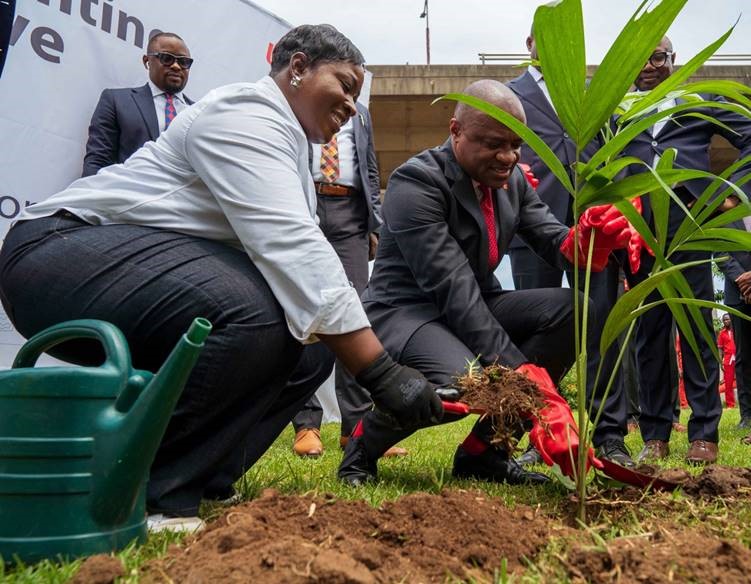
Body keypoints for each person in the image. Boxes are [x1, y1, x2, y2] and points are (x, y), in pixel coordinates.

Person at [0, 24, 442, 532]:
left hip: (134, 274)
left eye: (356, 95)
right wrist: (383, 374)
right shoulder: (245, 114)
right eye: (343, 84)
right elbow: (293, 245)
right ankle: (158, 492)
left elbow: (302, 270)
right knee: (252, 309)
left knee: (314, 340)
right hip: (54, 253)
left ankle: (208, 477)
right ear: (297, 67)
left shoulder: (291, 143)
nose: (349, 104)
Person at [337, 80, 636, 487]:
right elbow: (453, 290)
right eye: (494, 143)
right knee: (467, 383)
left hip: (475, 302)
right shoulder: (416, 182)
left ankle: (485, 454)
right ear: (456, 130)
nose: (508, 156)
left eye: (516, 144)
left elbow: (551, 238)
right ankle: (361, 448)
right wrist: (535, 388)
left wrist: (587, 239)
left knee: (575, 309)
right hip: (409, 312)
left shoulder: (510, 181)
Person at [622, 36, 751, 464]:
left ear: (674, 59)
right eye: (641, 58)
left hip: (689, 224)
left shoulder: (698, 99)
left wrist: (730, 195)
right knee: (649, 330)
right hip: (639, 228)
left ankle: (705, 432)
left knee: (696, 326)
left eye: (657, 56)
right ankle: (655, 433)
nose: (649, 66)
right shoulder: (620, 111)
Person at [507, 28, 633, 468]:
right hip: (531, 229)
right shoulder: (509, 95)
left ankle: (611, 433)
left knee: (602, 330)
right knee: (537, 334)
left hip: (594, 230)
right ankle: (530, 435)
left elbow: (615, 154)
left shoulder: (596, 96)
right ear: (530, 44)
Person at [291, 103, 407, 458]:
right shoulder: (297, 104)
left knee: (355, 313)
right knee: (301, 311)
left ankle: (355, 426)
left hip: (349, 215)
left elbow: (369, 169)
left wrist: (374, 225)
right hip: (302, 204)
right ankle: (306, 423)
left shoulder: (360, 112)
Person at [82, 32, 195, 177]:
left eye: (183, 62)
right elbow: (97, 160)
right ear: (147, 61)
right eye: (167, 58)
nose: (176, 66)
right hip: (130, 196)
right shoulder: (117, 101)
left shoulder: (200, 114)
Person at [720, 218, 751, 432]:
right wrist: (741, 278)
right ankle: (747, 414)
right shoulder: (727, 213)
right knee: (744, 355)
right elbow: (719, 251)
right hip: (738, 292)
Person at [717, 313, 737, 408]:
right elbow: (720, 349)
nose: (726, 321)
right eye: (724, 320)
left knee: (743, 380)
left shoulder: (736, 331)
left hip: (738, 356)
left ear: (731, 319)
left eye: (727, 319)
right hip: (728, 359)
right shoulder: (721, 333)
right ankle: (730, 404)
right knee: (728, 383)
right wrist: (721, 362)